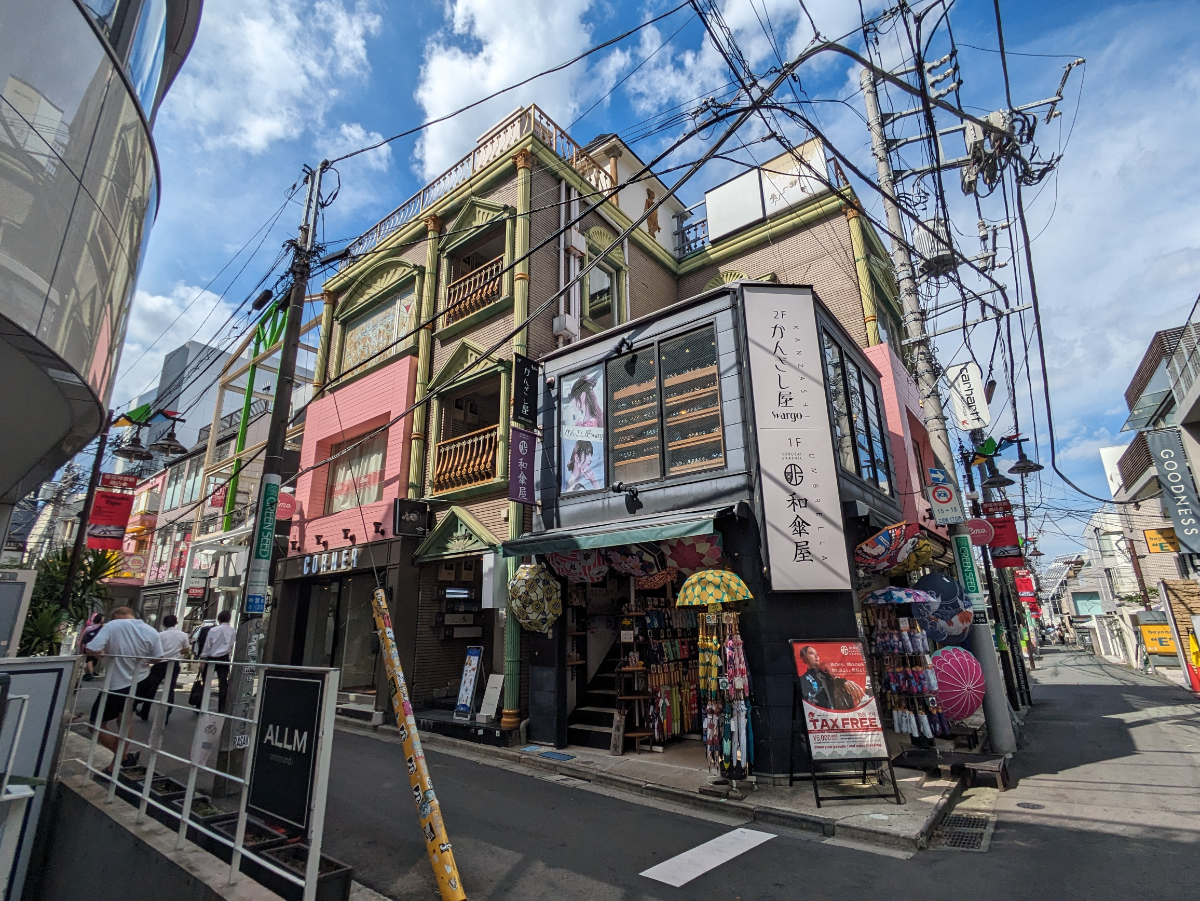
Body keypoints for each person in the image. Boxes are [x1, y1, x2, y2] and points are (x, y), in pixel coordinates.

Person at [83, 607, 163, 772]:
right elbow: (157, 658)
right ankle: (117, 763)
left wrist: (105, 652)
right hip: (140, 679)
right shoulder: (151, 630)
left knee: (95, 724)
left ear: (116, 615)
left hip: (116, 683)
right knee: (124, 720)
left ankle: (123, 757)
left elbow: (91, 648)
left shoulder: (113, 625)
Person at [137, 614, 190, 723]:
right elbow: (186, 649)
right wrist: (176, 651)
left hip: (159, 663)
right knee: (170, 689)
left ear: (164, 624)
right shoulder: (183, 635)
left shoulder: (160, 635)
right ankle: (165, 716)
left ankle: (145, 711)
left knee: (151, 688)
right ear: (176, 623)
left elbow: (154, 649)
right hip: (174, 664)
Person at [798, 645, 866, 710]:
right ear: (804, 658)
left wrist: (843, 683)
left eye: (817, 654)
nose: (816, 656)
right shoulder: (803, 679)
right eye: (811, 653)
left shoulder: (828, 676)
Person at [200, 610, 235, 712]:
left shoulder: (213, 630)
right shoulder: (233, 631)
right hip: (224, 658)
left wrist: (202, 659)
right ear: (229, 619)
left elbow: (207, 645)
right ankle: (222, 707)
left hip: (211, 658)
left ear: (219, 619)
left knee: (206, 681)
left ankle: (202, 704)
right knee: (223, 682)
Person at [79, 614, 104, 681]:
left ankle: (89, 673)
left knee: (89, 659)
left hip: (87, 646)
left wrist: (80, 645)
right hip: (97, 647)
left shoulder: (89, 628)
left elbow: (83, 637)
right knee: (93, 660)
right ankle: (89, 673)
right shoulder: (103, 628)